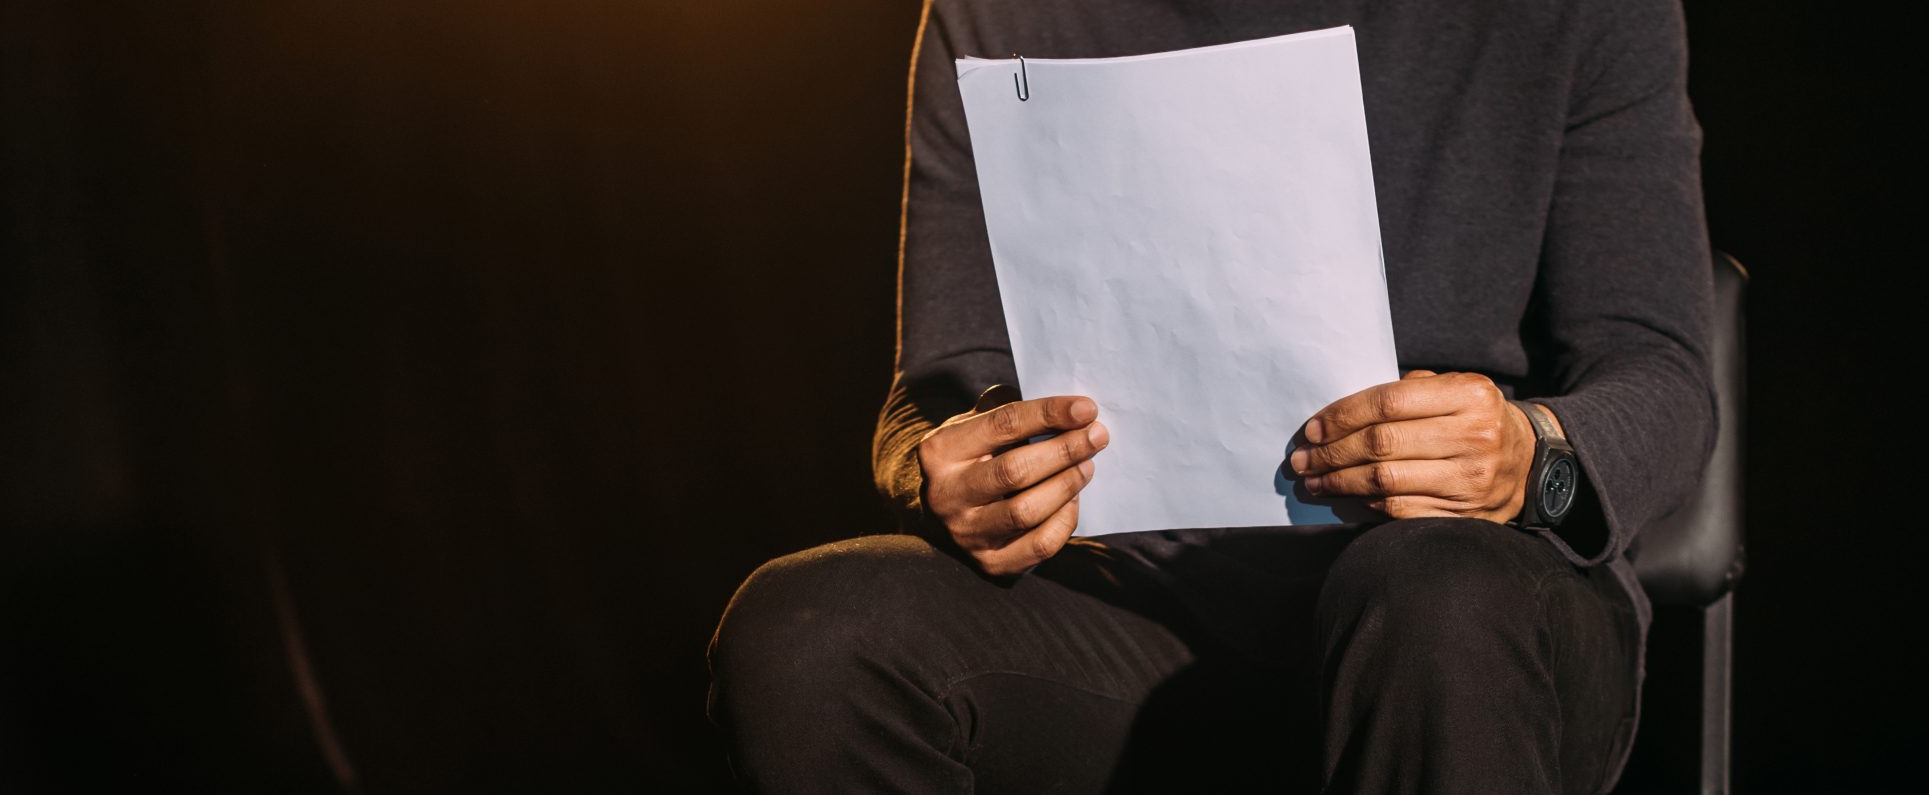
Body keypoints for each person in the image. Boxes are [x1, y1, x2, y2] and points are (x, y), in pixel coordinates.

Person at [708, 0, 1714, 791]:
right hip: (1132, 610)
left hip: (1471, 618)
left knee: (1428, 592)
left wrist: (1530, 454)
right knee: (808, 637)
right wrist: (956, 466)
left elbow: (1662, 373)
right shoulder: (1002, 5)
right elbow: (931, 391)